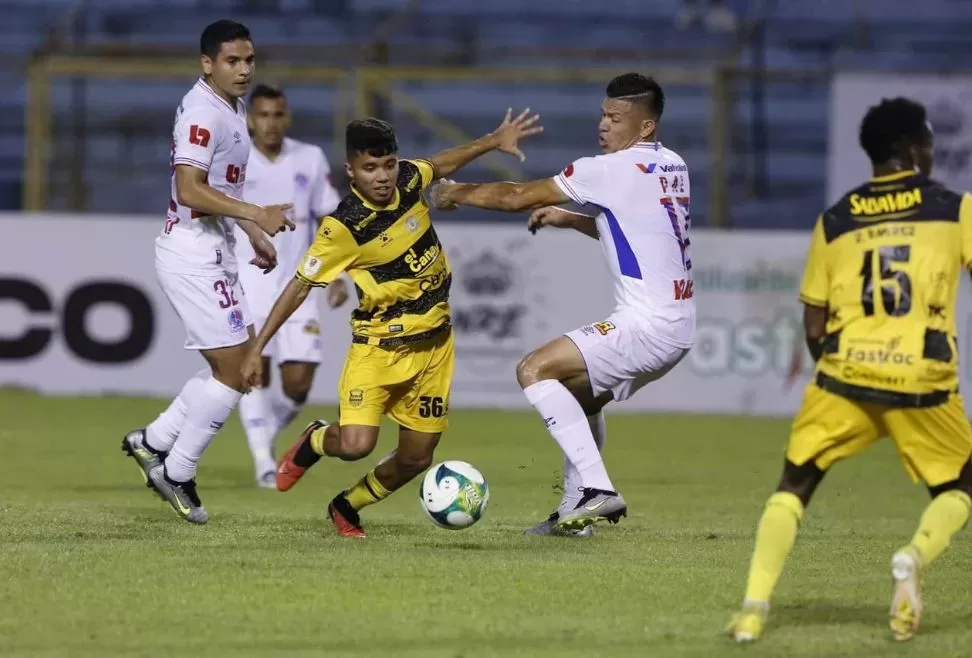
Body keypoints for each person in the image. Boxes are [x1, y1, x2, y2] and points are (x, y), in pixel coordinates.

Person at [726, 97, 972, 643]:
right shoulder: (956, 209)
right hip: (923, 378)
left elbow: (813, 327)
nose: (931, 151)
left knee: (795, 484)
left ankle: (752, 609)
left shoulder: (835, 220)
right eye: (928, 142)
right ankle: (912, 557)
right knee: (961, 485)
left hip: (846, 372)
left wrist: (841, 375)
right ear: (911, 148)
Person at [241, 110, 542, 537]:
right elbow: (298, 286)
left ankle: (347, 505)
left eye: (388, 164)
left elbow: (440, 164)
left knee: (417, 457)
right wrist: (257, 349)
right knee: (355, 445)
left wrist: (493, 140)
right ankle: (314, 439)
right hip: (379, 349)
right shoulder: (342, 228)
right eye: (369, 168)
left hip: (434, 349)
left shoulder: (408, 180)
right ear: (351, 171)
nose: (382, 176)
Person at [430, 72, 696, 536]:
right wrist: (572, 220)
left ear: (646, 127)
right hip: (678, 326)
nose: (603, 125)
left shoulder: (605, 170)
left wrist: (454, 193)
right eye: (602, 114)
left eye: (615, 118)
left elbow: (515, 197)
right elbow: (635, 231)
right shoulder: (672, 165)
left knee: (533, 369)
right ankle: (576, 513)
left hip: (646, 326)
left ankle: (596, 489)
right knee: (579, 395)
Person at [121, 20, 295, 524]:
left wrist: (252, 232)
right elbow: (191, 189)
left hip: (212, 249)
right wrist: (259, 214)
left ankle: (152, 442)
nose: (243, 70)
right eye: (232, 62)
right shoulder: (203, 112)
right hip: (191, 254)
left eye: (249, 61)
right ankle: (177, 470)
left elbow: (221, 189)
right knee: (239, 369)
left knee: (231, 368)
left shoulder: (228, 107)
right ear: (208, 64)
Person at [233, 84, 350, 487]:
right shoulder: (235, 158)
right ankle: (264, 460)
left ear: (288, 117)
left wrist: (338, 274)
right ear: (250, 118)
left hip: (299, 286)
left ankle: (267, 437)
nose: (270, 123)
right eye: (262, 115)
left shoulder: (310, 158)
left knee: (299, 384)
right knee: (253, 373)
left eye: (277, 115)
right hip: (248, 279)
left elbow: (332, 221)